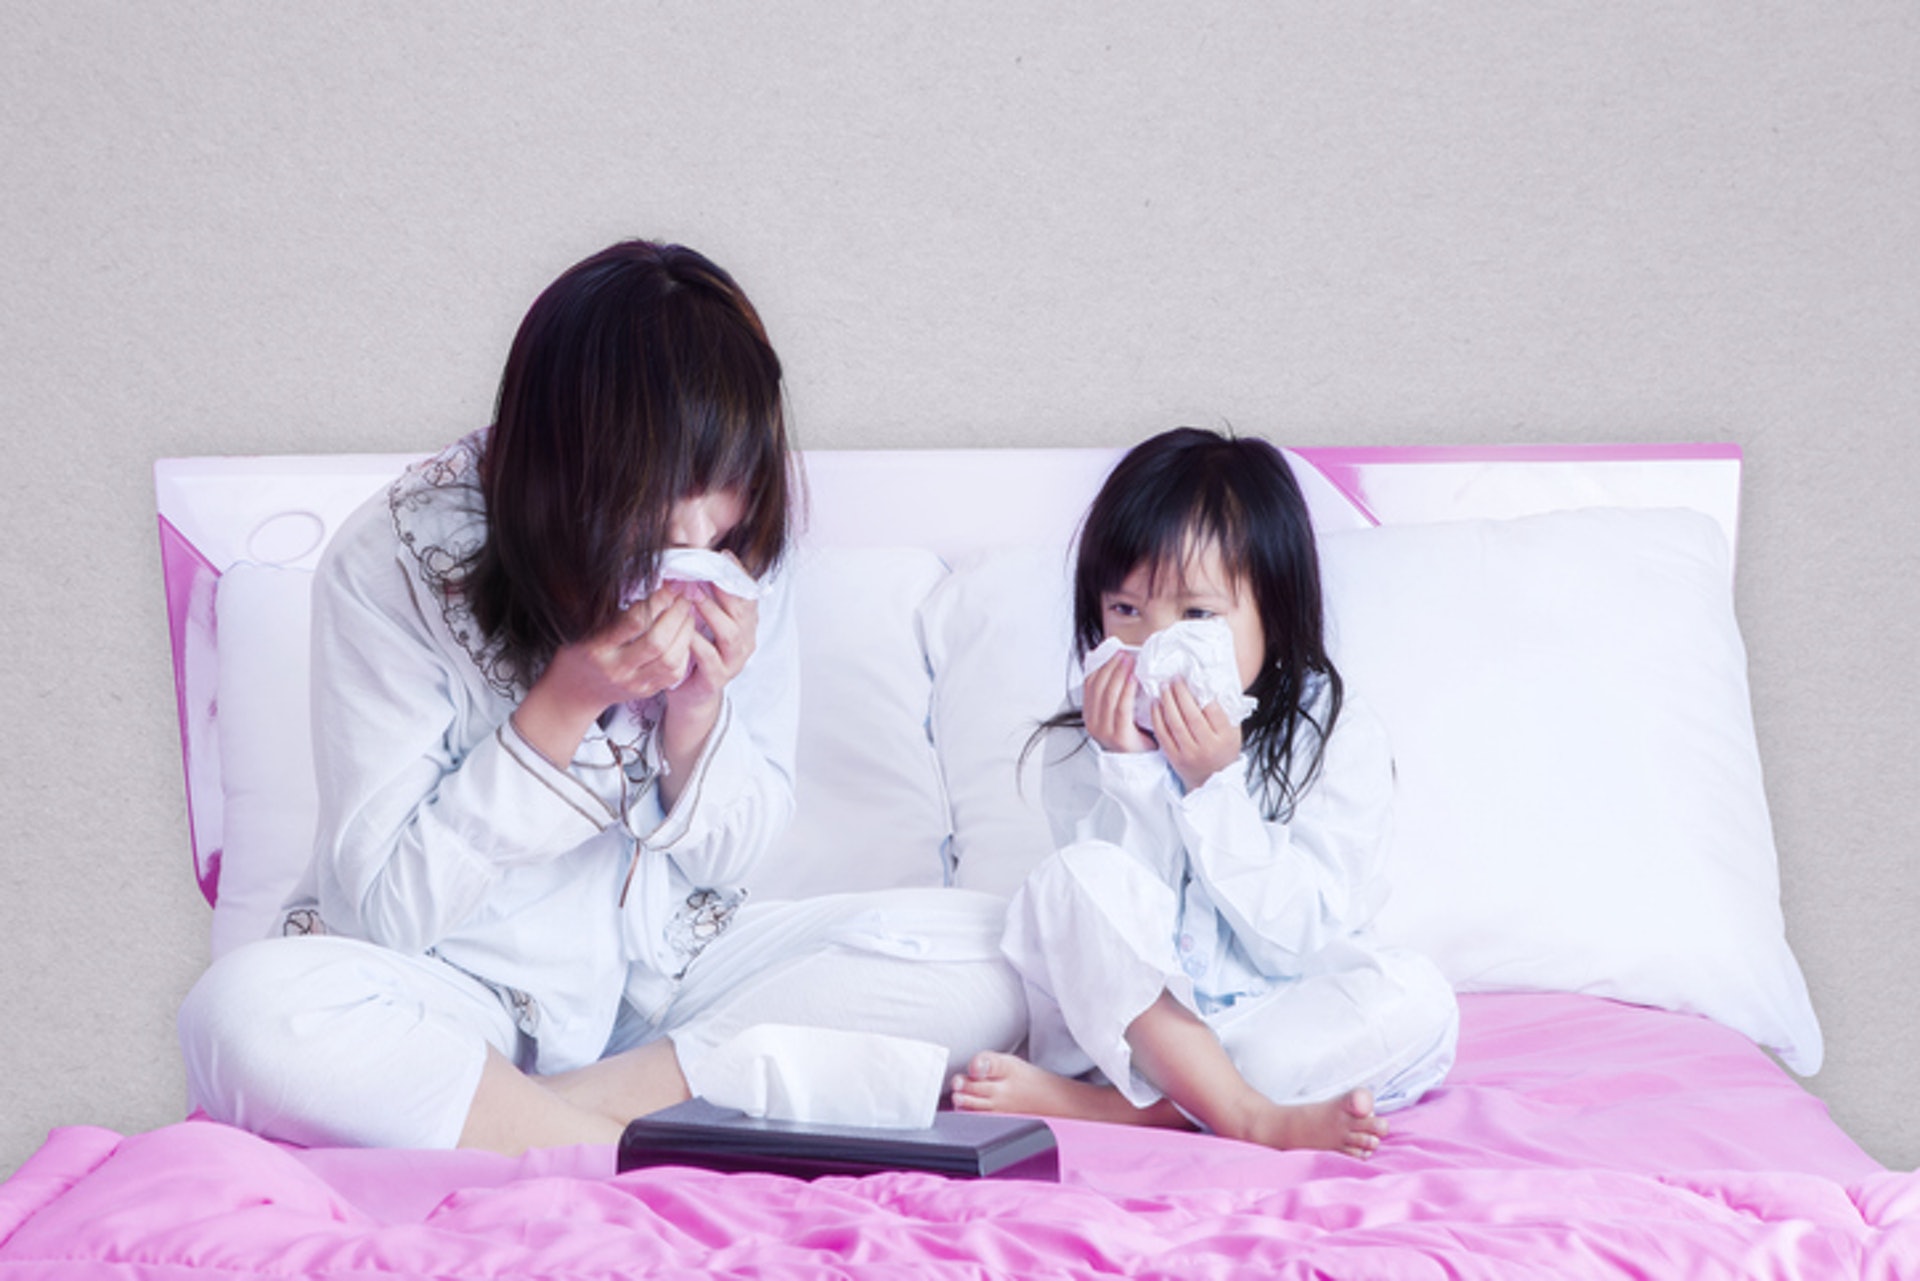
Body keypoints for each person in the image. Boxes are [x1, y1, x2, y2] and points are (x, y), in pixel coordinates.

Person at [178, 240, 1022, 1154]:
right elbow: (384, 911)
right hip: (455, 995)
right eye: (669, 503)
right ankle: (645, 1136)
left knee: (1008, 946)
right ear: (572, 471)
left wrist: (699, 717)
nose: (702, 537)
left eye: (723, 502)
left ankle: (568, 1117)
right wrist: (562, 707)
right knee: (243, 1013)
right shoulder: (393, 561)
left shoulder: (733, 556)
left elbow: (734, 853)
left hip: (670, 982)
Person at [950, 427, 1457, 1158]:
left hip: (1270, 1017)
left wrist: (1216, 786)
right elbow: (1120, 918)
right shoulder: (1084, 737)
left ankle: (1143, 1112)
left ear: (1273, 614)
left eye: (1196, 616)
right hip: (1133, 1033)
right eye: (1126, 611)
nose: (1156, 643)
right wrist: (1129, 770)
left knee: (1423, 1000)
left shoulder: (1333, 733)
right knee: (1070, 880)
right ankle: (1239, 1111)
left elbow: (1297, 939)